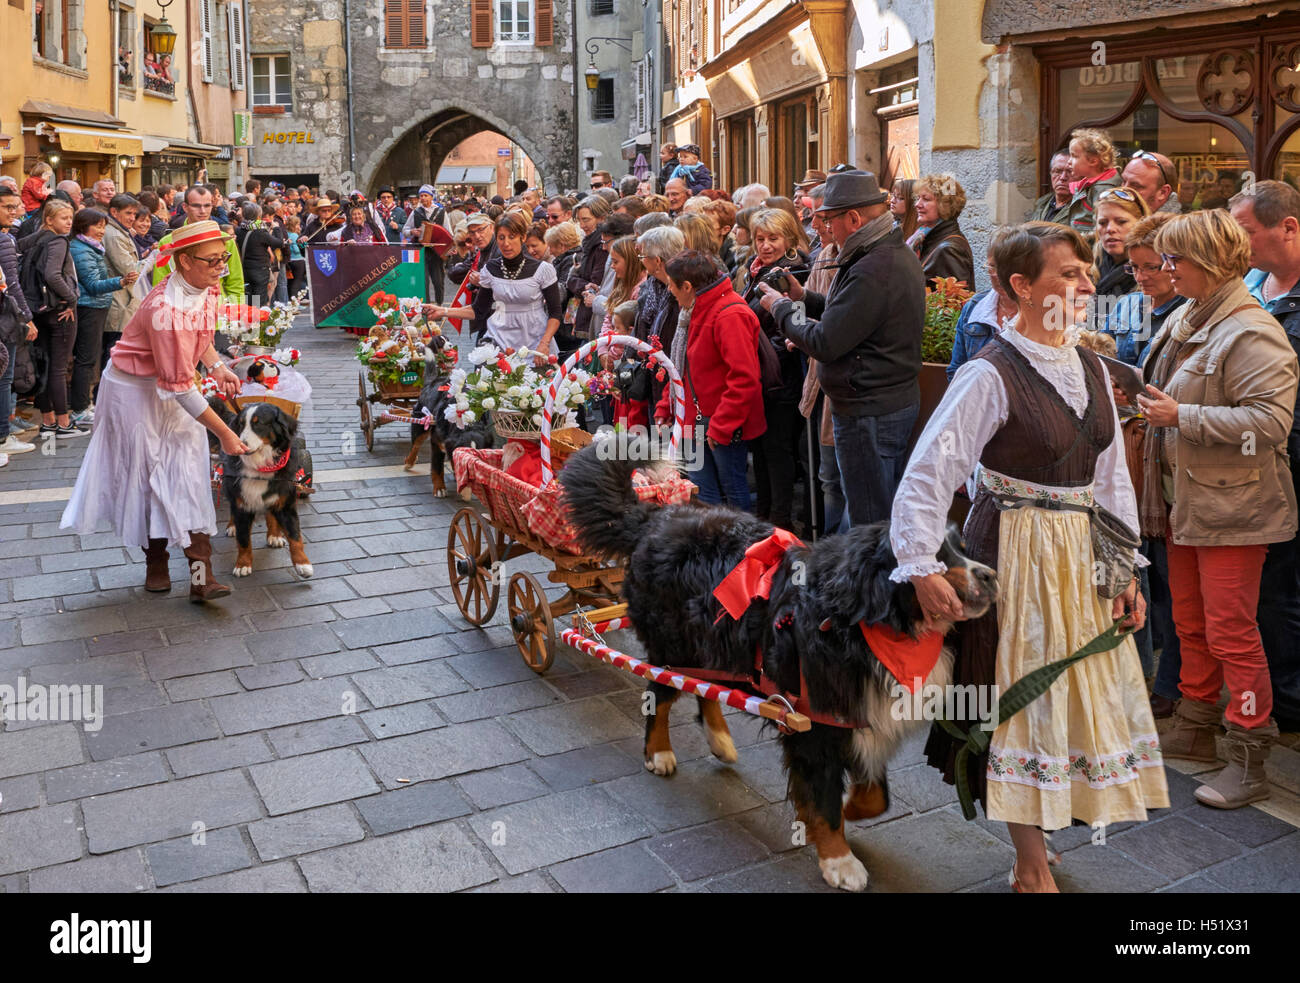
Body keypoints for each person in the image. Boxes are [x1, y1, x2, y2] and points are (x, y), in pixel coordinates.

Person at [894, 220, 1165, 892]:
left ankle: (1047, 818)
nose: (1083, 283)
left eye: (1084, 271)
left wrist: (1126, 566)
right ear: (1020, 285)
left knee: (1071, 691)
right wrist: (920, 563)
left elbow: (1111, 480)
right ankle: (1029, 856)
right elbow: (930, 471)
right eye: (1066, 272)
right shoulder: (990, 372)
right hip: (1011, 551)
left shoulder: (1095, 368)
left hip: (1079, 554)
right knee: (1017, 697)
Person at [1136, 209, 1298, 808]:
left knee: (1233, 631)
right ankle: (1195, 727)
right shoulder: (1189, 316)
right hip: (1186, 502)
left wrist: (1181, 417)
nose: (1166, 269)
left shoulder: (1251, 330)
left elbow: (1271, 424)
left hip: (1235, 509)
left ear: (1208, 263)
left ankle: (1250, 753)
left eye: (1175, 259)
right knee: (1191, 623)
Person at [61, 220, 249, 602]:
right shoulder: (166, 309)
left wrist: (216, 366)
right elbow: (179, 386)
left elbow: (201, 339)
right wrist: (225, 433)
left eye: (224, 257)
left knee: (188, 475)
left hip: (172, 383)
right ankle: (156, 564)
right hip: (132, 391)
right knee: (146, 477)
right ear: (183, 261)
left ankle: (201, 578)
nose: (221, 266)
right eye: (213, 259)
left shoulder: (205, 288)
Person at [760, 170, 923, 527]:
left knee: (869, 522)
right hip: (876, 405)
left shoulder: (875, 266)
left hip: (870, 412)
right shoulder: (882, 253)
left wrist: (781, 308)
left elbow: (826, 342)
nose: (825, 227)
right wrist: (804, 297)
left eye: (829, 218)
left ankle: (867, 582)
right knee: (869, 513)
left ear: (854, 218)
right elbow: (851, 317)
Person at [1230, 180, 1300, 732]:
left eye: (1247, 231)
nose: (1239, 241)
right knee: (1270, 590)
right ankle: (1279, 699)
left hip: (1290, 449)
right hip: (1259, 461)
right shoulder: (1252, 282)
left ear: (1288, 227)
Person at [653, 249, 764, 509]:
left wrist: (722, 425)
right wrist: (665, 406)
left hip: (722, 424)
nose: (670, 291)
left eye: (672, 285)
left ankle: (740, 549)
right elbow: (681, 368)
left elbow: (744, 378)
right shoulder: (694, 310)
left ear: (688, 286)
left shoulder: (729, 314)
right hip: (696, 419)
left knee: (734, 493)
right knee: (703, 495)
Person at [743, 208, 811, 532]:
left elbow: (795, 326)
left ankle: (779, 522)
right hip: (759, 373)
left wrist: (763, 346)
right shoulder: (755, 271)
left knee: (777, 449)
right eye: (760, 238)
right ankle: (764, 515)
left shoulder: (793, 273)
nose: (765, 245)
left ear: (789, 239)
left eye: (773, 238)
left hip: (781, 377)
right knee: (760, 447)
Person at [428, 211, 561, 355]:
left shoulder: (543, 270)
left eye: (512, 237)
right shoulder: (490, 269)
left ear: (522, 237)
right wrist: (444, 311)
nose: (506, 244)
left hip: (536, 343)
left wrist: (545, 342)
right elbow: (478, 309)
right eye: (501, 238)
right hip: (499, 340)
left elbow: (555, 312)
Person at [794, 184, 843, 535]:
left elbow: (838, 323)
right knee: (826, 474)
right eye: (814, 217)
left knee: (843, 476)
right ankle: (826, 544)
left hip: (845, 381)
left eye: (823, 218)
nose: (817, 226)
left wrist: (800, 322)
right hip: (817, 374)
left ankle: (839, 550)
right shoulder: (824, 255)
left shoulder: (862, 259)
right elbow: (809, 302)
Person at [20, 199, 87, 438]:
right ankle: (64, 423)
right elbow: (52, 275)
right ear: (49, 220)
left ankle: (48, 421)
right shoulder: (58, 241)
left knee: (45, 365)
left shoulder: (35, 239)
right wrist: (71, 299)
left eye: (70, 218)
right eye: (63, 218)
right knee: (58, 368)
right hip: (59, 310)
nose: (69, 223)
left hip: (38, 310)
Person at [69, 208, 137, 426]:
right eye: (97, 225)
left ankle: (84, 404)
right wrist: (120, 282)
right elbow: (91, 284)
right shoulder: (81, 249)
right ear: (83, 226)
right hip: (89, 307)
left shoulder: (90, 247)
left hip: (97, 306)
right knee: (86, 358)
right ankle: (79, 408)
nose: (101, 230)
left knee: (91, 359)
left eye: (103, 225)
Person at [947, 229, 1019, 380]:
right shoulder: (974, 307)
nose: (998, 276)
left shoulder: (1039, 311)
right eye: (992, 267)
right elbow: (956, 370)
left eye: (1007, 268)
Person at [152, 186, 245, 300]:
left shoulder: (225, 240)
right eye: (196, 206)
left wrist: (234, 313)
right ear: (185, 207)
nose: (202, 211)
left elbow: (235, 284)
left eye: (207, 205)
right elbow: (159, 286)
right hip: (179, 310)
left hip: (217, 312)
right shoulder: (167, 243)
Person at [0, 186, 38, 457]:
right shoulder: (3, 240)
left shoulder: (7, 236)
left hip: (7, 313)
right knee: (6, 375)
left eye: (16, 207)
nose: (13, 213)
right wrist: (26, 317)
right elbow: (11, 284)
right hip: (6, 316)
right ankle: (3, 434)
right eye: (8, 207)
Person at [103, 194, 146, 393]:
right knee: (112, 353)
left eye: (134, 213)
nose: (132, 218)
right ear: (114, 212)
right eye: (128, 213)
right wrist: (152, 259)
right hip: (118, 301)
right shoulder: (112, 234)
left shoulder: (120, 231)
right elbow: (129, 269)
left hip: (123, 300)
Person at [1090, 187, 1150, 325]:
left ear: (1141, 224)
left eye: (1121, 222)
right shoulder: (1084, 264)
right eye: (1102, 223)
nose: (1110, 229)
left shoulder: (1157, 271)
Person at [910, 173, 975, 290]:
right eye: (917, 198)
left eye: (926, 199)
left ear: (945, 205)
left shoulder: (949, 249)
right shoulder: (925, 238)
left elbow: (955, 303)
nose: (917, 204)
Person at [1059, 127, 1122, 237]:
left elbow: (1102, 229)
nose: (1068, 162)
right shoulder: (1089, 183)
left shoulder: (1103, 190)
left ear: (1093, 161)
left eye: (1074, 156)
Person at [565, 195, 612, 341]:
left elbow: (594, 283)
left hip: (594, 315)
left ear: (601, 218)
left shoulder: (601, 247)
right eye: (580, 220)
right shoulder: (589, 243)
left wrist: (574, 279)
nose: (582, 225)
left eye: (586, 220)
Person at [400, 184, 450, 304]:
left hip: (436, 252)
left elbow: (448, 232)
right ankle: (426, 308)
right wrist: (412, 232)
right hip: (420, 251)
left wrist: (448, 248)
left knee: (438, 281)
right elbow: (405, 230)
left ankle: (439, 305)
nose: (422, 198)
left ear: (431, 197)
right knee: (422, 281)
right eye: (421, 195)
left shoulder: (441, 212)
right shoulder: (415, 212)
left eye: (425, 195)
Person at [235, 202, 286, 304]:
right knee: (259, 302)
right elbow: (280, 243)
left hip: (244, 270)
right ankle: (257, 319)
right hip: (260, 270)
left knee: (248, 300)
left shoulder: (239, 230)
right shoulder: (261, 233)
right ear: (259, 216)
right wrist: (276, 228)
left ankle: (248, 319)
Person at [597, 235, 644, 334]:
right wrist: (605, 345)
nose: (612, 266)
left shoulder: (641, 290)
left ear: (631, 261)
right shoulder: (622, 283)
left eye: (615, 262)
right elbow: (608, 319)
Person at [1123, 151, 1181, 215]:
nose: (1123, 191)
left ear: (1163, 192)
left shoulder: (1180, 224)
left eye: (1136, 186)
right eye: (1123, 181)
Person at [1029, 151, 1072, 223]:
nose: (1063, 177)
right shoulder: (1042, 203)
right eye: (1058, 171)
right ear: (1051, 173)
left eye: (1070, 171)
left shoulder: (1083, 208)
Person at [889, 177, 919, 241]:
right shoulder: (894, 225)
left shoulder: (918, 233)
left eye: (900, 198)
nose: (892, 201)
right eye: (893, 196)